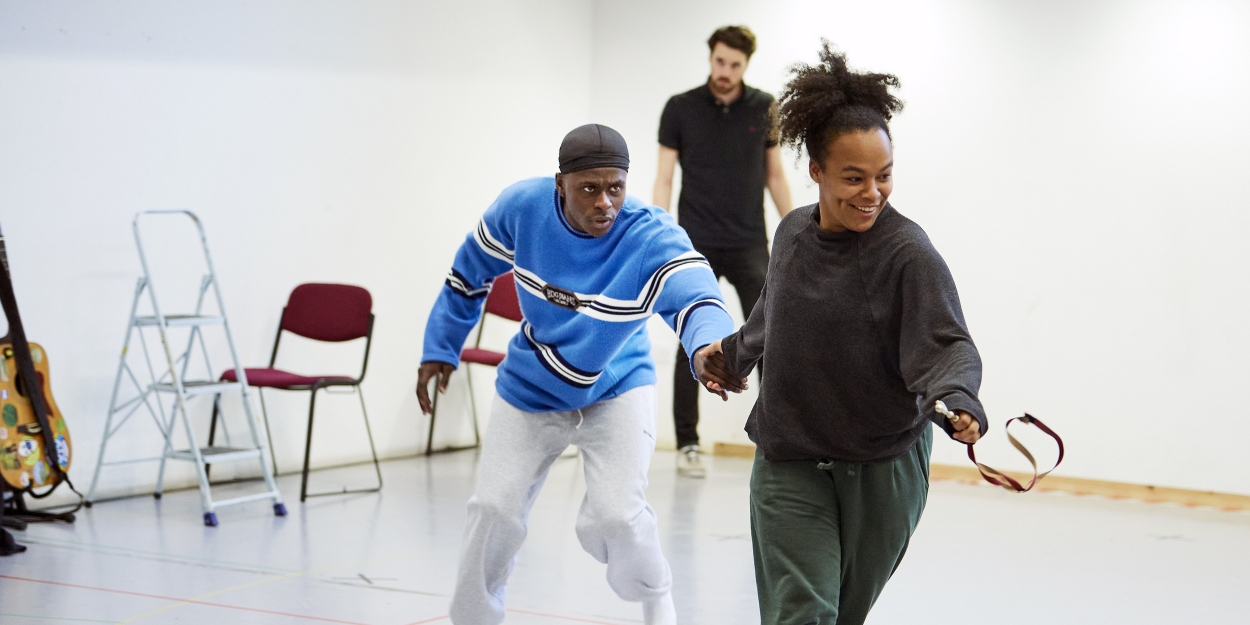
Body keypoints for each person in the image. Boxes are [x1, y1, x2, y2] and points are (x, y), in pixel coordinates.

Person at [691, 42, 986, 625]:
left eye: (884, 176)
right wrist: (730, 357)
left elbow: (946, 343)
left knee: (841, 614)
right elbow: (773, 315)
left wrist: (956, 399)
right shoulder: (794, 235)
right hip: (790, 457)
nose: (872, 192)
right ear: (817, 171)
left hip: (882, 466)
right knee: (803, 615)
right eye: (853, 177)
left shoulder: (909, 255)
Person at [417, 123, 735, 625]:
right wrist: (440, 345)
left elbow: (696, 296)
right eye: (590, 188)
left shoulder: (648, 234)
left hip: (616, 384)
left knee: (616, 516)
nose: (604, 202)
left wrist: (706, 347)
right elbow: (467, 273)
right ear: (560, 183)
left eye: (616, 188)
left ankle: (656, 596)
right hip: (532, 383)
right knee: (493, 511)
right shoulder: (521, 209)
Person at [653, 25, 793, 478]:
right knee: (691, 340)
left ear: (745, 65)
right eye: (719, 62)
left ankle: (782, 438)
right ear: (710, 58)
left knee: (776, 336)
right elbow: (664, 178)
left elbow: (775, 177)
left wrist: (799, 233)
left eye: (734, 65)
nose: (725, 72)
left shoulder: (764, 107)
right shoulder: (680, 108)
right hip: (695, 243)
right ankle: (688, 443)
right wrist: (657, 236)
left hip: (751, 240)